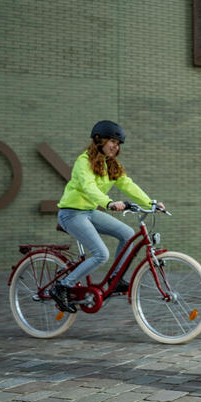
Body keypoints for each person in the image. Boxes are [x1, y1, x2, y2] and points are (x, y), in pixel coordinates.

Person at [50, 120, 163, 313]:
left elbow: (128, 185)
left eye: (118, 144)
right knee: (101, 254)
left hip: (90, 212)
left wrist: (150, 203)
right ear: (99, 140)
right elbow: (88, 187)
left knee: (127, 233)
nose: (115, 147)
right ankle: (62, 287)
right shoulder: (83, 161)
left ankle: (115, 279)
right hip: (71, 213)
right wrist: (109, 203)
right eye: (112, 141)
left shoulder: (111, 165)